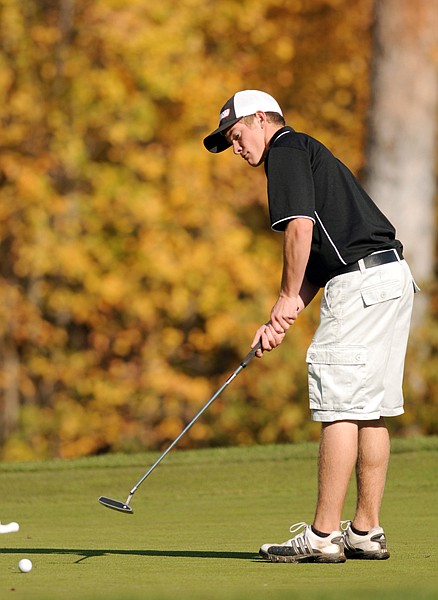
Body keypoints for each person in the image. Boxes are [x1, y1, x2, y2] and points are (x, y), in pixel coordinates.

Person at [203, 90, 417, 563]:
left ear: (261, 119)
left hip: (360, 285)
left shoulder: (284, 149)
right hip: (389, 278)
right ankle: (365, 531)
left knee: (339, 408)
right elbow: (320, 263)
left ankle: (322, 536)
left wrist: (283, 296)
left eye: (236, 135)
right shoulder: (307, 152)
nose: (236, 148)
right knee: (370, 410)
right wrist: (282, 317)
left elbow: (299, 228)